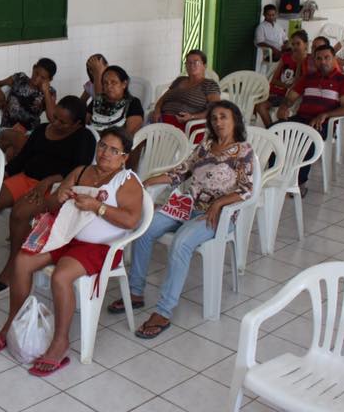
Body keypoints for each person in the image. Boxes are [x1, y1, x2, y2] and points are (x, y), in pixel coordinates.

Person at [0, 128, 144, 376]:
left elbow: (131, 220)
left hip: (100, 247)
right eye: (103, 146)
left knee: (60, 276)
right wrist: (59, 196)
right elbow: (49, 206)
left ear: (124, 157)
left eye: (114, 150)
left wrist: (98, 207)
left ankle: (60, 341)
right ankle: (12, 323)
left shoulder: (127, 181)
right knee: (22, 262)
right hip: (67, 235)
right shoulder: (81, 171)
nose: (105, 153)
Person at [109, 101, 254, 338]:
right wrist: (147, 182)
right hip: (188, 206)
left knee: (181, 243)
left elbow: (247, 190)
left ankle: (163, 312)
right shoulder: (205, 146)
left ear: (235, 120)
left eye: (223, 117)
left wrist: (218, 203)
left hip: (217, 215)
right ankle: (135, 293)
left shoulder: (243, 151)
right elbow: (180, 172)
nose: (218, 122)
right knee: (145, 228)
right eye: (214, 118)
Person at [0, 96, 96, 293]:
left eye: (62, 122)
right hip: (26, 178)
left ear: (77, 124)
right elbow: (22, 159)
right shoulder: (42, 130)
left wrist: (47, 182)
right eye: (55, 117)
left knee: (20, 213)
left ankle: (13, 269)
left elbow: (78, 171)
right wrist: (2, 175)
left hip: (55, 187)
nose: (55, 123)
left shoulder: (85, 138)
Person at [276, 44, 344, 194]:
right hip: (301, 118)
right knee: (273, 132)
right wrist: (283, 107)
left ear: (334, 59)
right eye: (319, 58)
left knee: (307, 140)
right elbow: (291, 97)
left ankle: (299, 183)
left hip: (323, 124)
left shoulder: (343, 80)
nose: (323, 61)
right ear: (314, 60)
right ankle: (274, 176)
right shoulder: (308, 77)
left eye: (327, 58)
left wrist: (325, 115)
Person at [0, 58, 58, 161]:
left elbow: (53, 119)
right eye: (36, 73)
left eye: (43, 78)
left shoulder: (50, 92)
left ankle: (14, 170)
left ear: (49, 80)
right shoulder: (19, 78)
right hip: (6, 130)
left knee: (11, 152)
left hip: (30, 133)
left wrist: (46, 92)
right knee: (19, 139)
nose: (37, 78)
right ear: (33, 68)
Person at [148, 49, 221, 131]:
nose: (191, 65)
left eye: (196, 62)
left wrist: (192, 117)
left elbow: (215, 108)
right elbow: (162, 99)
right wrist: (157, 111)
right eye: (188, 62)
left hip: (187, 125)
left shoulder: (209, 84)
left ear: (204, 66)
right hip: (162, 121)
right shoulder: (179, 80)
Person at [254, 29, 309, 128]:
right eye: (293, 44)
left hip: (285, 97)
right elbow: (274, 80)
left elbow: (298, 83)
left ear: (305, 44)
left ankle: (271, 131)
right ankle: (270, 130)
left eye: (298, 44)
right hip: (273, 92)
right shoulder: (286, 57)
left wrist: (299, 63)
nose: (295, 47)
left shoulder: (308, 61)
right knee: (254, 104)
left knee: (261, 106)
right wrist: (286, 85)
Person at [86, 64, 144, 136]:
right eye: (105, 83)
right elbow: (85, 123)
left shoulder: (133, 103)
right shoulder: (98, 100)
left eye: (113, 82)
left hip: (117, 142)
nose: (109, 86)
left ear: (124, 84)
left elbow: (130, 135)